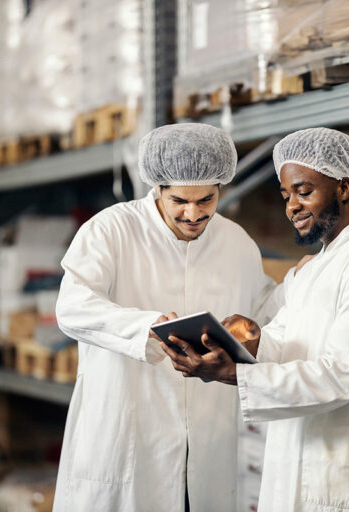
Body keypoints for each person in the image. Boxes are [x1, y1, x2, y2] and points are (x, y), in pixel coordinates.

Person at [161, 127, 349, 511]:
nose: (292, 207)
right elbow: (286, 342)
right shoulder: (315, 267)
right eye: (286, 196)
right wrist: (244, 341)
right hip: (300, 455)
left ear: (343, 188)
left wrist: (234, 374)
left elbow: (339, 376)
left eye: (304, 191)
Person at [52, 123, 284, 512]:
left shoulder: (236, 242)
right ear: (158, 188)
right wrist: (146, 327)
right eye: (179, 200)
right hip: (125, 434)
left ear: (220, 187)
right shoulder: (112, 230)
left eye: (206, 200)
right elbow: (73, 307)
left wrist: (300, 283)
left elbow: (260, 309)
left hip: (208, 445)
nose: (193, 214)